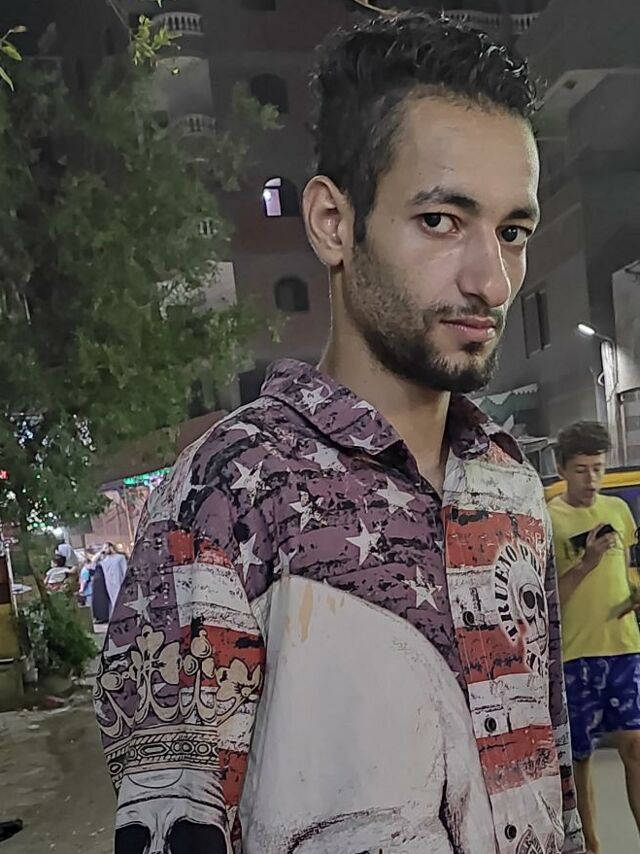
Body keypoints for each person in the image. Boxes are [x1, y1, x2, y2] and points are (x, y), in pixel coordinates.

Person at [95, 13, 584, 854]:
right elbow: (173, 822)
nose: (492, 280)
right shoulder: (226, 498)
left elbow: (550, 773)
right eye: (441, 220)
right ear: (331, 222)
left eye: (512, 232)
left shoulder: (508, 484)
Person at [549, 422, 640, 853]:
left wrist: (634, 596)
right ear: (562, 469)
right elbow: (547, 597)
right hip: (575, 654)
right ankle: (592, 845)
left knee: (636, 748)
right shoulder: (548, 520)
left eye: (599, 468)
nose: (592, 480)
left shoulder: (619, 510)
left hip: (624, 647)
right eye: (582, 470)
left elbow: (623, 574)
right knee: (580, 758)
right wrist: (585, 563)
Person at [99, 542, 127, 616]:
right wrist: (100, 552)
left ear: (111, 547)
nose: (104, 550)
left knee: (121, 601)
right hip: (110, 585)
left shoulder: (120, 558)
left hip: (119, 583)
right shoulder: (104, 561)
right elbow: (92, 563)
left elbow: (125, 570)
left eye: (106, 548)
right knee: (114, 602)